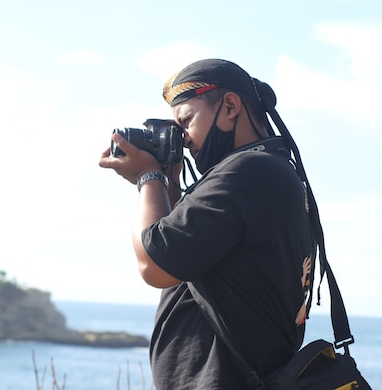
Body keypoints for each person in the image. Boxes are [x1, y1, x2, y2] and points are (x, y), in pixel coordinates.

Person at [99, 59, 323, 389]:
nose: (184, 139)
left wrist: (148, 178)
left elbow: (155, 264)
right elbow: (188, 251)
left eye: (186, 121)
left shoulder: (245, 172)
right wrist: (169, 183)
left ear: (230, 106)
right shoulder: (270, 170)